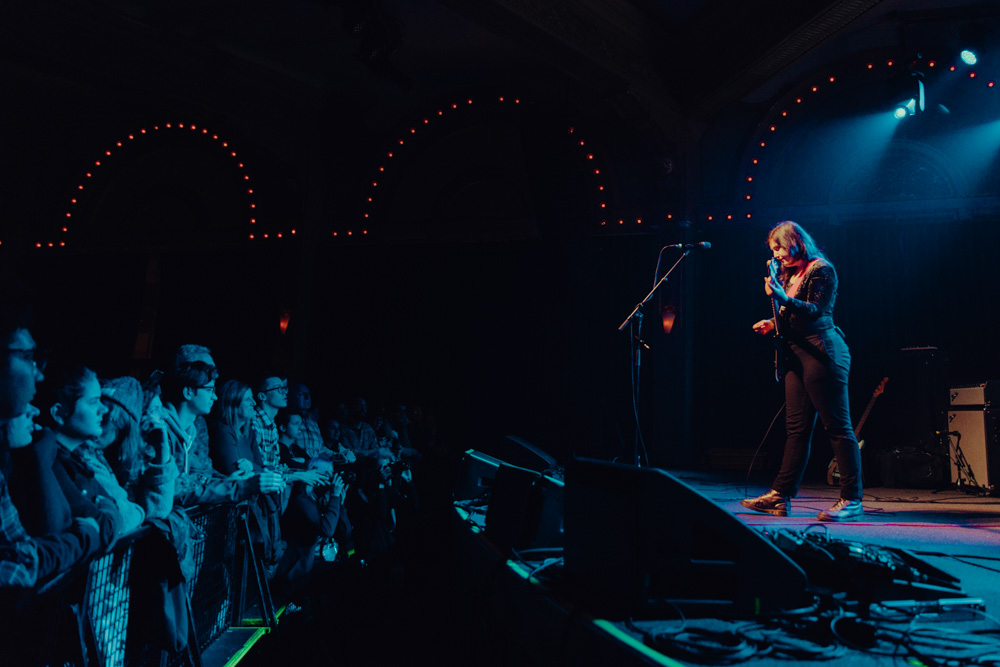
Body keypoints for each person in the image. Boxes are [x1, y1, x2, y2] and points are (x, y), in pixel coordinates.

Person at [744, 221, 863, 521]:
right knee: (796, 429)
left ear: (796, 242)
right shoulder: (790, 273)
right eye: (774, 251)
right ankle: (780, 495)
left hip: (822, 352)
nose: (778, 255)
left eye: (780, 248)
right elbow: (791, 316)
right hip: (797, 355)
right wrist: (773, 323)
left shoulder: (822, 269)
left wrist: (782, 299)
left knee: (837, 427)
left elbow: (815, 311)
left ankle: (852, 499)